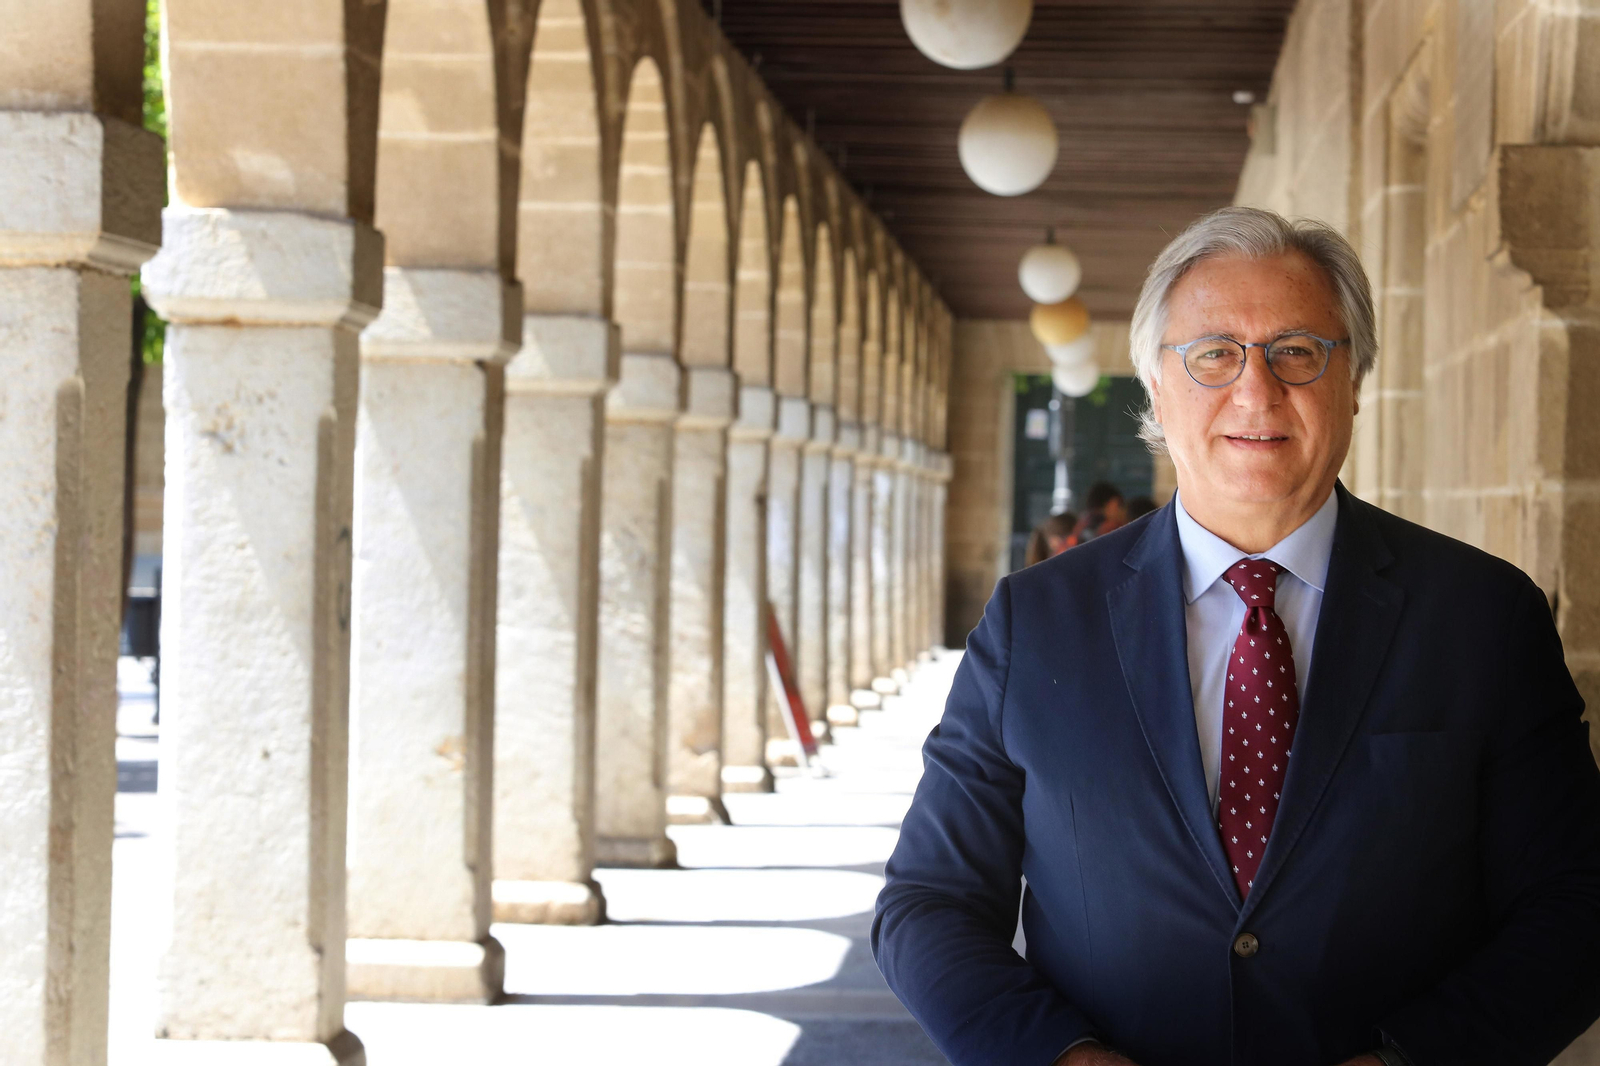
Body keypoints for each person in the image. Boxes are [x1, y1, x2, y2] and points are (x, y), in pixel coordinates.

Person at [873, 206, 1600, 1066]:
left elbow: (1578, 904)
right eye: (1214, 353)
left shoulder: (1482, 616)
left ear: (1355, 380)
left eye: (1297, 350)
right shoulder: (1034, 624)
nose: (1256, 391)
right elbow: (928, 901)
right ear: (1155, 385)